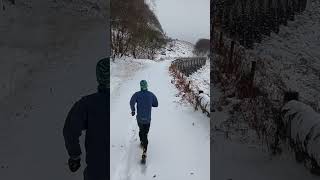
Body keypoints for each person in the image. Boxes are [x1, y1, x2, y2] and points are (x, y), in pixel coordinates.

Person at [63, 58, 109, 180]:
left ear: (99, 77)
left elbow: (70, 131)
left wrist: (75, 156)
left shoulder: (87, 104)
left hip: (97, 171)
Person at [130, 80, 158, 157]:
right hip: (148, 119)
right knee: (145, 133)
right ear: (147, 86)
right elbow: (156, 104)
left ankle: (142, 142)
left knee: (141, 131)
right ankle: (144, 150)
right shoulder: (151, 95)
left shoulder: (137, 94)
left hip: (139, 119)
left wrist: (133, 110)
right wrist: (149, 103)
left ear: (140, 86)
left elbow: (131, 102)